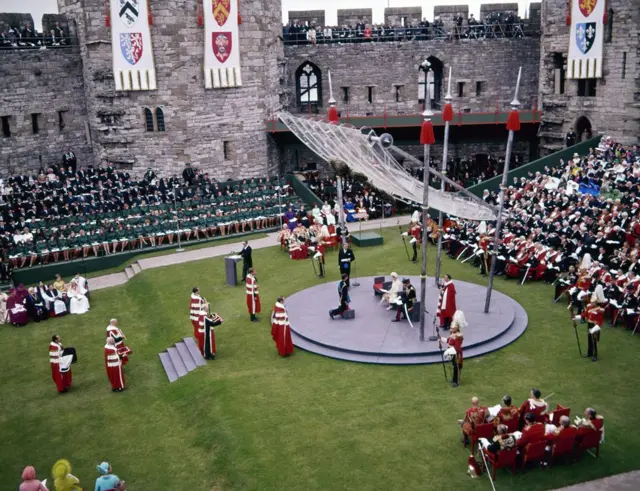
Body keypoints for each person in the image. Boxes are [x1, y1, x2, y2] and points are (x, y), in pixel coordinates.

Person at [442, 317, 464, 387]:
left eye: (452, 328)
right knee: (454, 366)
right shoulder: (452, 334)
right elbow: (449, 341)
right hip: (452, 352)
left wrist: (448, 351)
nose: (451, 329)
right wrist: (440, 339)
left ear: (456, 328)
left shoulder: (458, 336)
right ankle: (454, 379)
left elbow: (456, 347)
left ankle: (456, 381)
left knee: (456, 367)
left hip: (456, 354)